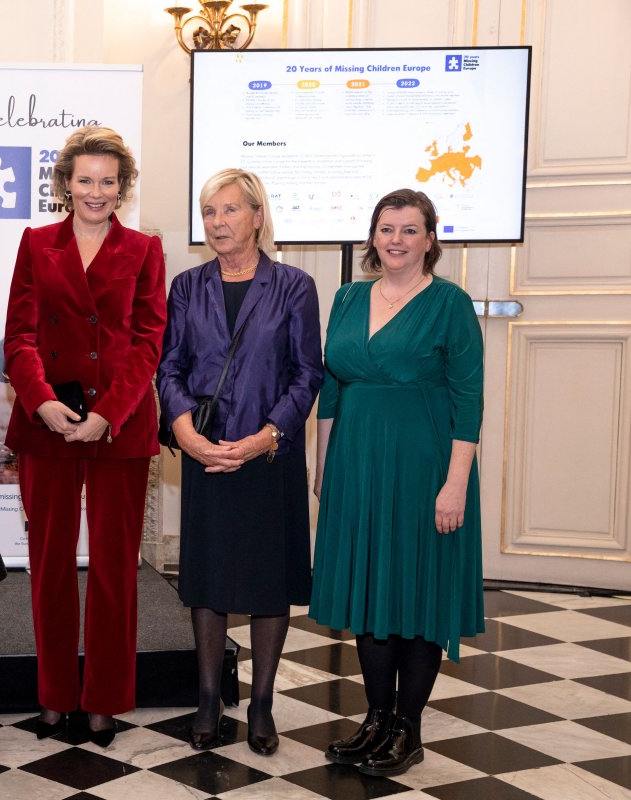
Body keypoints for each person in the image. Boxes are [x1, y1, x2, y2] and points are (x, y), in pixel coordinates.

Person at [310, 188, 484, 777]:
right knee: (371, 592)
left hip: (425, 468)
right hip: (357, 465)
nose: (396, 240)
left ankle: (407, 729)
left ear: (430, 240)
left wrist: (455, 484)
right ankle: (376, 718)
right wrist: (324, 466)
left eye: (410, 230)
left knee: (416, 592)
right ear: (372, 236)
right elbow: (331, 388)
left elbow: (469, 400)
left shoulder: (450, 304)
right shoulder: (348, 297)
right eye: (387, 228)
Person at [3, 126, 166, 747]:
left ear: (122, 185)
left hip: (119, 429)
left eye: (108, 180)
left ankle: (104, 699)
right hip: (47, 426)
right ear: (65, 183)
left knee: (115, 568)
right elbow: (18, 335)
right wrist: (41, 400)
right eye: (85, 179)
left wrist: (110, 413)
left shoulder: (146, 249)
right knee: (47, 566)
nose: (96, 192)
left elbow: (150, 340)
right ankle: (53, 697)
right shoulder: (37, 243)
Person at [156, 168, 322, 754]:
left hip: (267, 458)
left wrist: (263, 438)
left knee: (268, 583)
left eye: (229, 210)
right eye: (209, 212)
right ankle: (207, 700)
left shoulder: (295, 286)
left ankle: (262, 705)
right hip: (205, 454)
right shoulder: (187, 286)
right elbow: (168, 367)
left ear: (257, 215)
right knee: (207, 580)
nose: (218, 222)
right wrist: (187, 434)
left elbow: (308, 373)